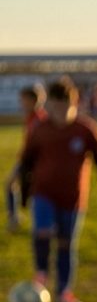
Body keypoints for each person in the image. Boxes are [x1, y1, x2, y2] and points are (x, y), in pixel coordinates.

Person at [19, 76, 97, 302]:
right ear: (49, 106)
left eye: (66, 107)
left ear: (74, 104)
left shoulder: (85, 129)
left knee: (66, 245)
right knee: (43, 232)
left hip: (73, 198)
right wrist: (25, 195)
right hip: (43, 193)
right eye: (55, 107)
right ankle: (41, 276)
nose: (60, 112)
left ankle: (64, 292)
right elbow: (27, 162)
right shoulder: (40, 130)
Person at [4, 84, 48, 232]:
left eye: (22, 99)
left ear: (31, 100)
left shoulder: (39, 119)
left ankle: (18, 219)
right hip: (26, 160)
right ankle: (16, 218)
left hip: (32, 162)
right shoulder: (31, 117)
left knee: (28, 190)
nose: (20, 102)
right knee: (12, 185)